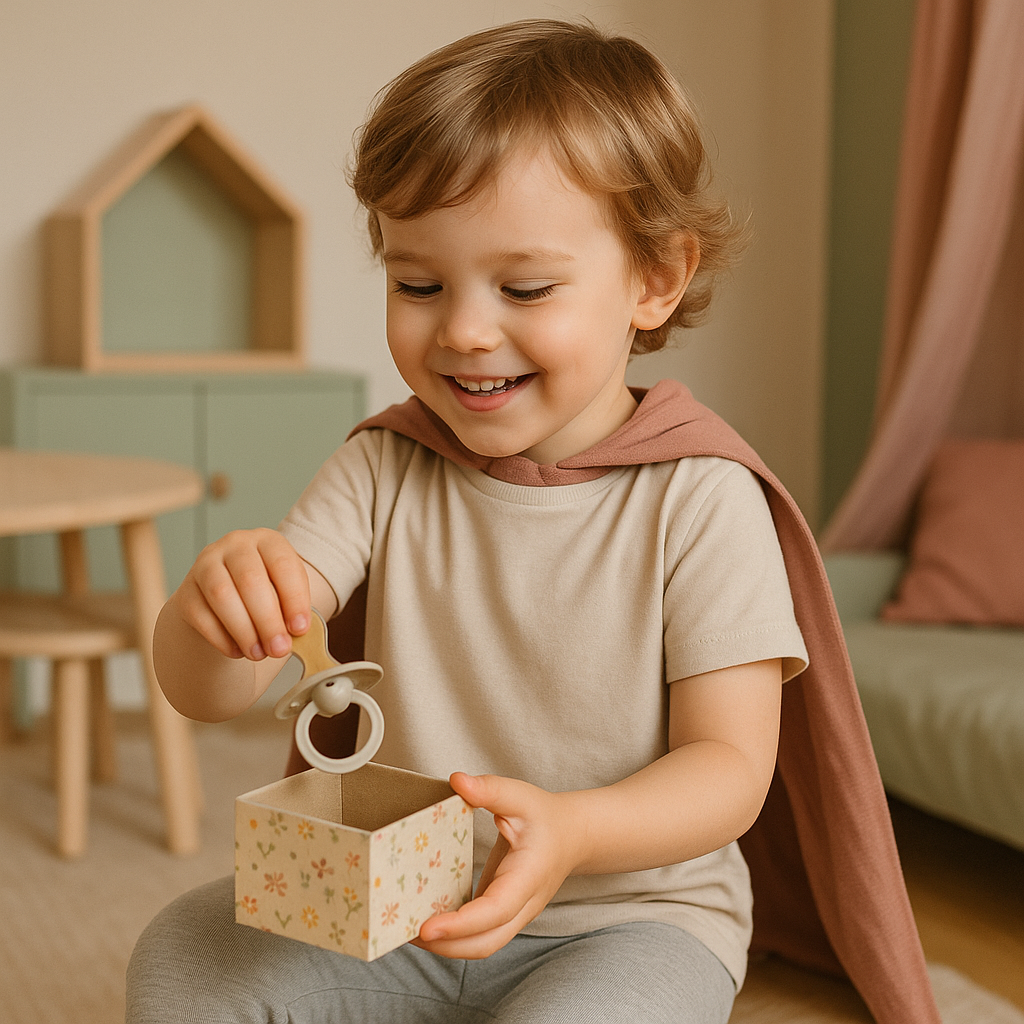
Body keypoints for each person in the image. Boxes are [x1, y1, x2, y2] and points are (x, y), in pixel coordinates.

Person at [126, 19, 939, 1024]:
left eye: (524, 287)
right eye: (416, 282)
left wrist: (574, 831)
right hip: (396, 908)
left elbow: (730, 770)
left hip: (630, 919)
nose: (463, 328)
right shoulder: (382, 464)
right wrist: (213, 616)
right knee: (179, 962)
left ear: (656, 277)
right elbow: (222, 688)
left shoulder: (702, 495)